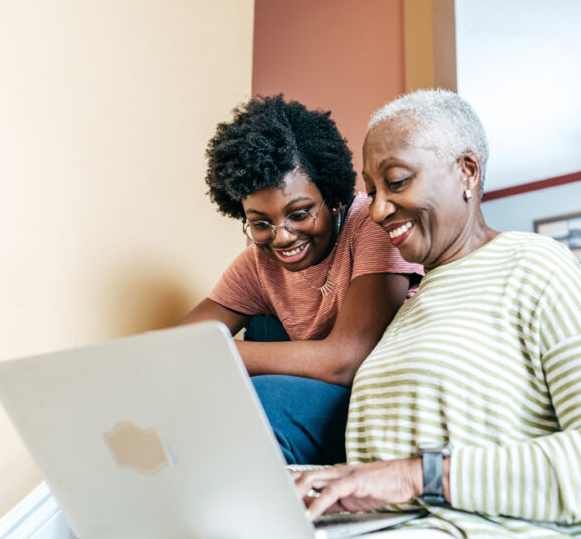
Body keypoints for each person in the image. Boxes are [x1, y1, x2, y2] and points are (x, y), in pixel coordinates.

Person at [69, 90, 581, 539]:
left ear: (467, 171)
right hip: (399, 536)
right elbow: (373, 463)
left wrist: (414, 474)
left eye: (397, 182)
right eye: (371, 190)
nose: (377, 211)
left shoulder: (536, 266)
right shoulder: (408, 309)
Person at [179, 95, 422, 465]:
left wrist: (218, 353)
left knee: (255, 402)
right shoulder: (258, 263)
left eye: (300, 213)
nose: (282, 237)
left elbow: (345, 361)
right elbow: (176, 347)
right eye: (261, 223)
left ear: (334, 198)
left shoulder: (371, 227)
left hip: (376, 398)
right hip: (321, 390)